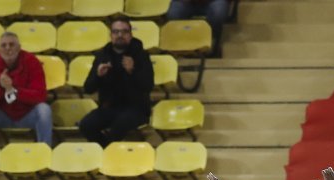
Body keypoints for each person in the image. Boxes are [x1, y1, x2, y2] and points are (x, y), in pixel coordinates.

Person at [79, 17, 154, 147]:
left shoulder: (141, 55)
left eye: (124, 32)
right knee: (86, 125)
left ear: (130, 35)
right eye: (116, 32)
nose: (120, 35)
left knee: (120, 123)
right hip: (109, 107)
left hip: (136, 108)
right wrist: (98, 75)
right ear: (111, 35)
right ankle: (106, 150)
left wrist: (132, 71)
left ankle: (106, 153)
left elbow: (148, 85)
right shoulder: (102, 55)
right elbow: (88, 88)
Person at [0, 31, 52, 145]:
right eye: (3, 45)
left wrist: (14, 90)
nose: (8, 48)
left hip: (27, 114)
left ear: (19, 47)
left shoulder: (32, 61)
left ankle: (45, 152)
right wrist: (0, 86)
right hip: (2, 115)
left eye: (12, 44)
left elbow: (40, 95)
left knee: (44, 110)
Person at [166, 0, 231, 56]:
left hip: (212, 2)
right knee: (173, 14)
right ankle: (182, 45)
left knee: (219, 12)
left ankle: (211, 42)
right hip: (186, 2)